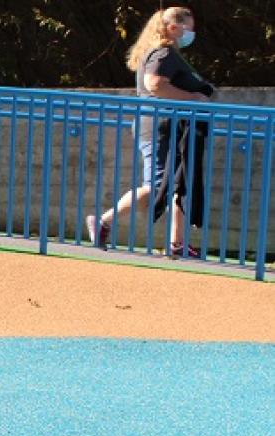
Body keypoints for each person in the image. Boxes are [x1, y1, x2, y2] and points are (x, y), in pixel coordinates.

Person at [86, 6, 215, 258]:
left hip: (173, 127)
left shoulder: (166, 53)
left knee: (180, 183)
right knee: (157, 186)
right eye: (189, 26)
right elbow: (154, 84)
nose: (192, 32)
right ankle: (104, 221)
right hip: (160, 127)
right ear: (173, 27)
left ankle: (177, 243)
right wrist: (193, 97)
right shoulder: (163, 53)